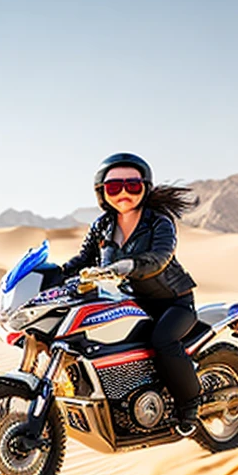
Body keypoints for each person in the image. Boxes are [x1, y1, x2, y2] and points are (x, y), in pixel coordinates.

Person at [61, 152, 201, 436]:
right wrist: (53, 273)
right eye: (114, 187)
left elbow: (160, 257)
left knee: (162, 340)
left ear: (145, 187)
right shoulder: (102, 226)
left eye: (132, 185)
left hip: (173, 302)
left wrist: (128, 266)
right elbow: (83, 260)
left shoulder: (159, 222)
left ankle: (190, 406)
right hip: (131, 303)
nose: (123, 192)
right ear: (102, 192)